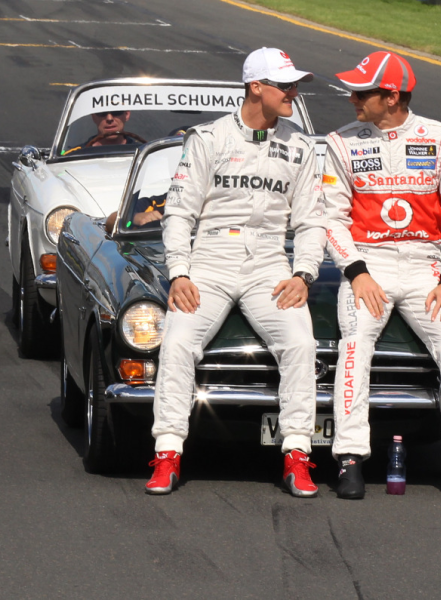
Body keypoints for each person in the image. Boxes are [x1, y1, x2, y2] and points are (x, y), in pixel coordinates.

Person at [146, 47, 326, 496]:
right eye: (284, 84)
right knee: (178, 340)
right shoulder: (208, 139)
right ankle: (167, 454)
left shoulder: (302, 146)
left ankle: (297, 454)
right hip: (210, 259)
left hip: (270, 262)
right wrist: (180, 272)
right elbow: (179, 214)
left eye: (293, 84)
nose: (293, 92)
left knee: (302, 343)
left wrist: (303, 273)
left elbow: (311, 221)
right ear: (255, 87)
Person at [323, 51, 441, 502]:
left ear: (392, 95)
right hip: (369, 263)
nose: (352, 99)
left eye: (363, 92)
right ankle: (350, 459)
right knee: (355, 344)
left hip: (426, 267)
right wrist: (356, 272)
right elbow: (330, 218)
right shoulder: (341, 143)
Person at [63, 110, 144, 155]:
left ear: (127, 115)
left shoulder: (146, 153)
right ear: (94, 117)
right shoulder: (74, 155)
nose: (109, 118)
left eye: (116, 112)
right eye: (102, 113)